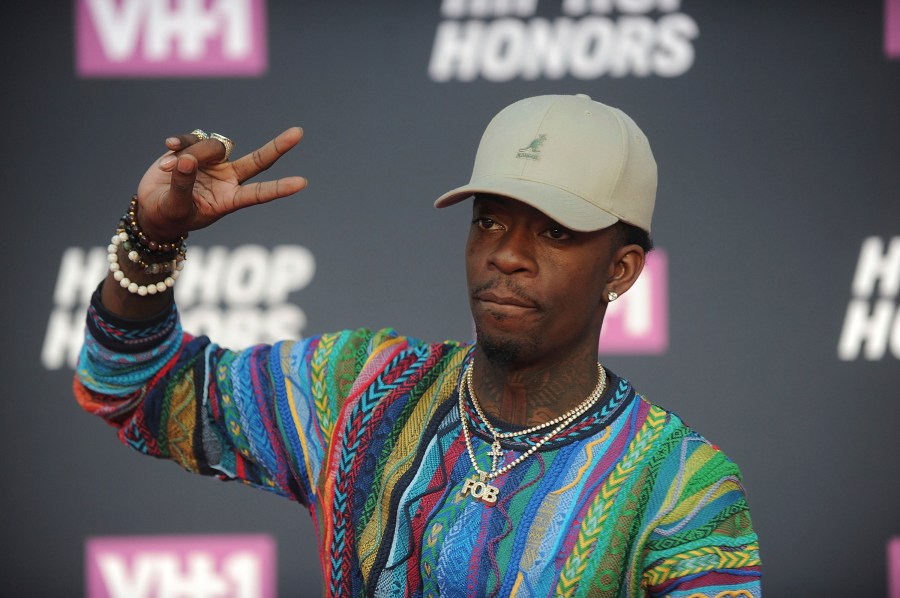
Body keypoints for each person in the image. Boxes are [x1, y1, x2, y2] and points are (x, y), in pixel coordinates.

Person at [75, 94, 761, 597]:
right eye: (490, 221)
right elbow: (138, 390)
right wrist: (152, 238)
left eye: (554, 232)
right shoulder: (362, 391)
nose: (508, 255)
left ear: (621, 269)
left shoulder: (681, 489)